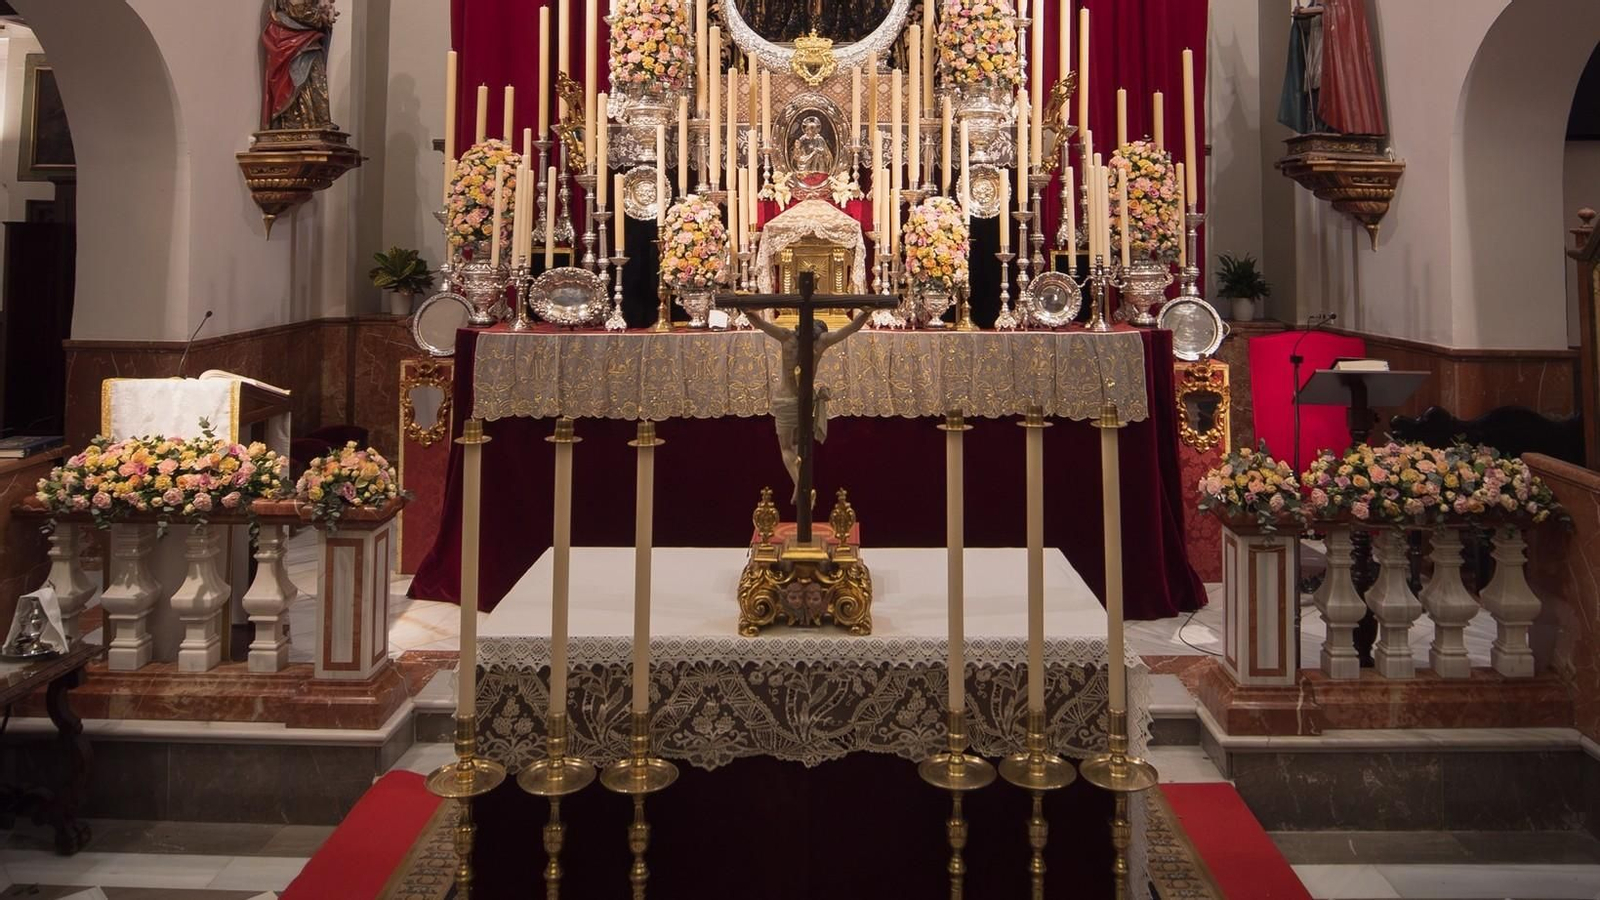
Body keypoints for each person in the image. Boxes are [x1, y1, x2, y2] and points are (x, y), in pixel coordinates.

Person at [746, 307, 873, 505]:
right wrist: (866, 313)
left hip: (785, 399)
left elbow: (759, 323)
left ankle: (800, 484)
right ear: (820, 332)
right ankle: (802, 486)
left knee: (788, 447)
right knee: (800, 446)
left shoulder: (787, 337)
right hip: (803, 401)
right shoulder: (821, 342)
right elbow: (850, 329)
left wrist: (746, 311)